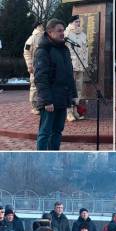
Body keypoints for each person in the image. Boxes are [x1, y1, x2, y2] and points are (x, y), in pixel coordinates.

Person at [33, 19, 77, 151]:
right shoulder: (43, 50)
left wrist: (73, 95)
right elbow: (41, 78)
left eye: (63, 30)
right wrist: (47, 101)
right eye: (59, 31)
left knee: (57, 131)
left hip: (62, 98)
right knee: (45, 132)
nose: (63, 33)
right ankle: (40, 159)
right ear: (50, 32)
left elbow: (69, 75)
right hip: (50, 100)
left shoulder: (64, 49)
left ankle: (53, 155)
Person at [64, 15, 88, 122]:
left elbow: (85, 51)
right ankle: (68, 112)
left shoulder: (83, 34)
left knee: (78, 89)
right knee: (69, 89)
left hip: (80, 65)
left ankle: (75, 111)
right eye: (76, 22)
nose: (78, 23)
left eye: (79, 21)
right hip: (71, 66)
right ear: (72, 22)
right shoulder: (67, 34)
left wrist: (85, 64)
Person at [23, 21, 45, 115]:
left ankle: (42, 104)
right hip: (35, 66)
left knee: (44, 86)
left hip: (45, 66)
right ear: (36, 27)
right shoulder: (31, 39)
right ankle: (34, 106)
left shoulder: (46, 37)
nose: (42, 27)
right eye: (40, 25)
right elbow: (27, 52)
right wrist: (29, 65)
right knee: (34, 86)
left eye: (42, 25)